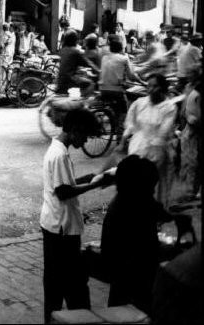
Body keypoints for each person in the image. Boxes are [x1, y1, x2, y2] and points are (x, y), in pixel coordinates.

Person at [39, 107, 109, 323]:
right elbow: (63, 192)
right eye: (85, 135)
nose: (86, 141)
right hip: (62, 230)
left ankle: (57, 317)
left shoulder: (58, 150)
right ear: (75, 130)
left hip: (55, 226)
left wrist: (89, 178)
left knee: (56, 284)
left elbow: (63, 184)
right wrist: (93, 186)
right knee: (74, 286)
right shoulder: (59, 154)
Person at [100, 155, 190, 314]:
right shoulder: (134, 206)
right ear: (140, 186)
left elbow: (161, 212)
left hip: (123, 275)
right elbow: (144, 251)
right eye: (151, 187)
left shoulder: (129, 199)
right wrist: (171, 249)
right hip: (133, 277)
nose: (154, 191)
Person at [119, 73, 177, 208]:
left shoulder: (169, 107)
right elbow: (130, 124)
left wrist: (149, 153)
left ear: (163, 88)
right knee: (136, 183)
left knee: (158, 183)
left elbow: (163, 132)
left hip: (158, 151)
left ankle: (157, 211)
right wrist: (122, 142)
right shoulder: (139, 104)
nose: (150, 89)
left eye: (155, 86)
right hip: (137, 147)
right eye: (149, 86)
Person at [98, 35, 144, 123]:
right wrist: (142, 82)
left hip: (102, 89)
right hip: (116, 91)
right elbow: (131, 76)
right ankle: (120, 132)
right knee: (124, 111)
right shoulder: (124, 58)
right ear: (121, 49)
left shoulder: (104, 58)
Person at [179, 74, 202, 202]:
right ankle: (192, 191)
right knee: (193, 163)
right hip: (194, 132)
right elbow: (193, 118)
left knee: (192, 163)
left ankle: (192, 191)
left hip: (192, 131)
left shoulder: (193, 91)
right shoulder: (195, 93)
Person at [55, 30, 100, 95]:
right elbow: (88, 63)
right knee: (90, 83)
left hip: (60, 79)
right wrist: (99, 71)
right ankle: (85, 103)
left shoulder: (63, 50)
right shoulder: (75, 51)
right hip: (70, 78)